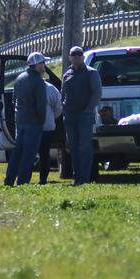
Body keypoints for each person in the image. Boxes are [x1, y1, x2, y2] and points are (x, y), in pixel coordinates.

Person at [4, 52, 48, 186]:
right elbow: (41, 104)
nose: (45, 65)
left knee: (17, 152)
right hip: (34, 122)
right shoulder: (39, 81)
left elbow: (13, 99)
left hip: (20, 120)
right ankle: (22, 182)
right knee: (29, 154)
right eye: (43, 63)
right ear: (37, 64)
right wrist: (41, 120)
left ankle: (9, 179)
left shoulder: (19, 78)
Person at [62, 45, 103, 186]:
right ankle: (77, 176)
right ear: (70, 57)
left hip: (84, 116)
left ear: (83, 57)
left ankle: (84, 178)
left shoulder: (92, 73)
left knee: (84, 146)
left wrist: (88, 109)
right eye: (73, 54)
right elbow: (63, 94)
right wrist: (64, 109)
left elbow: (97, 93)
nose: (76, 56)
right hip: (70, 116)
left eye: (79, 54)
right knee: (73, 147)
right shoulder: (67, 74)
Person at [37, 74, 63, 185]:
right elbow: (58, 108)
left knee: (29, 153)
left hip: (32, 125)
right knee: (44, 153)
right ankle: (43, 178)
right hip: (47, 126)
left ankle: (24, 178)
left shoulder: (25, 85)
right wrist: (52, 117)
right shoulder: (51, 88)